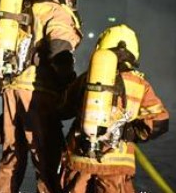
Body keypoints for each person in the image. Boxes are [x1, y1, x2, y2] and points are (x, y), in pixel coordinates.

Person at [0, 0, 87, 193]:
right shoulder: (56, 11)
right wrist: (69, 84)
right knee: (48, 157)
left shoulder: (25, 8)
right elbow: (60, 50)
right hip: (38, 92)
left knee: (12, 155)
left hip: (11, 88)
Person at [60, 24, 170, 193]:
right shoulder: (140, 84)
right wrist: (130, 131)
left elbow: (64, 109)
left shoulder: (86, 78)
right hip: (116, 164)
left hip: (79, 159)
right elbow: (160, 121)